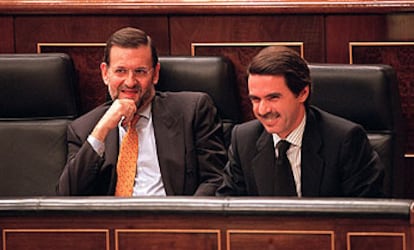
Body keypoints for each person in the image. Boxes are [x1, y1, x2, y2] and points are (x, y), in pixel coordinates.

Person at [57, 27, 227, 196]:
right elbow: (67, 195)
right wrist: (102, 130)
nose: (130, 82)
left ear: (155, 74)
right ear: (105, 73)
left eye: (140, 71)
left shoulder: (192, 111)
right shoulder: (84, 129)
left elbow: (215, 180)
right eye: (120, 71)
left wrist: (185, 219)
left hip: (174, 219)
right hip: (113, 221)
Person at [216, 46, 384, 197]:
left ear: (303, 93)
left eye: (273, 98)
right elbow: (226, 212)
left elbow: (365, 217)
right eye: (255, 99)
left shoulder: (345, 141)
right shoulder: (243, 140)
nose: (263, 110)